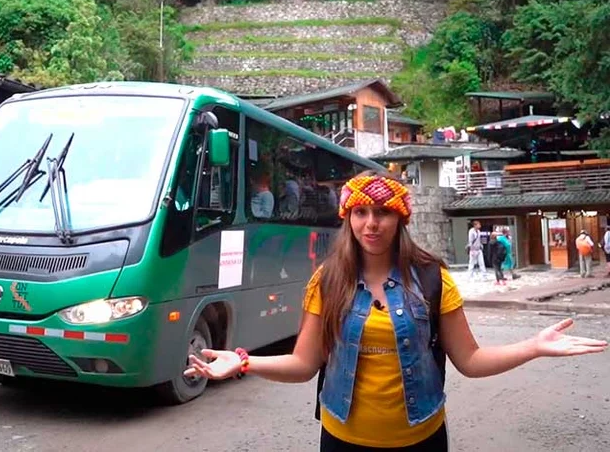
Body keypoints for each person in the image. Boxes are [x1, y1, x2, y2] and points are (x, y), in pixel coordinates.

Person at [185, 171, 607, 452]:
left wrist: (534, 346)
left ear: (400, 219)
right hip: (342, 440)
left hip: (421, 439)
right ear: (348, 218)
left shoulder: (433, 279)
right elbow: (303, 364)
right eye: (361, 212)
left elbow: (471, 361)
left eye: (383, 212)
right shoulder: (326, 282)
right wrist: (243, 362)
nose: (371, 223)